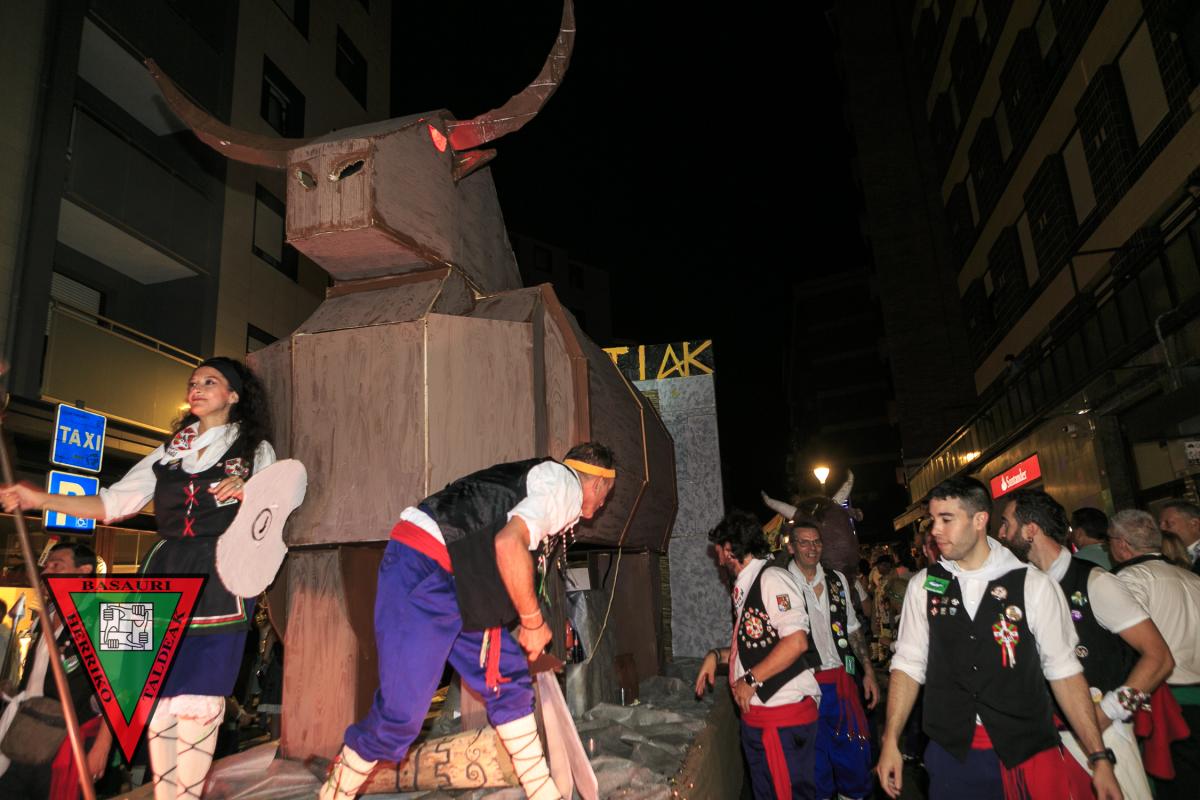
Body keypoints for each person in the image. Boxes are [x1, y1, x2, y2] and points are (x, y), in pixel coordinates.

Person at [1, 356, 275, 799]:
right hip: (161, 573)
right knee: (154, 701)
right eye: (193, 382)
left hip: (219, 576)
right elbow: (112, 504)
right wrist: (40, 499)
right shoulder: (170, 452)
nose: (197, 388)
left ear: (233, 395)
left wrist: (251, 492)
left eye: (210, 382)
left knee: (199, 699)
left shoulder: (254, 451)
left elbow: (275, 512)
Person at [322, 442, 616, 800]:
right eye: (606, 495)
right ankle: (334, 793)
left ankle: (544, 793)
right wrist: (532, 621)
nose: (603, 504)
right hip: (427, 568)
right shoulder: (565, 486)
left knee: (507, 678)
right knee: (400, 717)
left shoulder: (543, 480)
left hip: (461, 577)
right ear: (598, 484)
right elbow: (509, 544)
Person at [876, 476, 1119, 800]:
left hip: (1024, 752)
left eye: (946, 519)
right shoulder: (925, 585)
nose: (935, 530)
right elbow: (908, 664)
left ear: (980, 520)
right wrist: (891, 740)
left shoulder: (1033, 584)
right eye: (933, 520)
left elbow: (1064, 673)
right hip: (953, 754)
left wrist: (1098, 757)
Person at [997, 488, 1171, 799]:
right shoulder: (1024, 587)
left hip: (1105, 740)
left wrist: (1109, 711)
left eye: (1006, 523)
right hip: (1046, 742)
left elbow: (1159, 658)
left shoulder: (1095, 582)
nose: (1001, 533)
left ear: (1030, 529)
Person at [695, 510, 818, 800]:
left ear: (729, 548)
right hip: (764, 718)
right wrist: (716, 656)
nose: (718, 559)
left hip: (781, 717)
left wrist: (750, 680)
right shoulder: (748, 585)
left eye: (719, 550)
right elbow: (757, 645)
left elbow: (796, 641)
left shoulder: (772, 578)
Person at [0, 542, 112, 799]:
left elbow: (125, 689)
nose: (46, 572)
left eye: (56, 566)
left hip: (71, 734)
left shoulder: (108, 616)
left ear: (84, 571)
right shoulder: (45, 616)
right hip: (28, 728)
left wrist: (102, 746)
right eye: (46, 566)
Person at [1109, 509, 1200, 800]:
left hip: (1167, 703)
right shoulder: (1191, 577)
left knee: (1174, 787)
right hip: (1191, 696)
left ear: (1121, 544)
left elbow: (1123, 647)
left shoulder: (1127, 580)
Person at [785, 518, 877, 800]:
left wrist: (868, 671)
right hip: (802, 684)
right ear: (791, 547)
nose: (812, 548)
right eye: (804, 542)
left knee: (853, 752)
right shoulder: (781, 582)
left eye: (817, 542)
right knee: (813, 760)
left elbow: (852, 628)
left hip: (840, 681)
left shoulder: (836, 579)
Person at [1157, 501, 1200, 574]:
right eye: (1160, 524)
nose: (1162, 528)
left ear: (1194, 524)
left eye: (1168, 523)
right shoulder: (1163, 559)